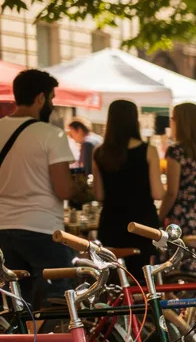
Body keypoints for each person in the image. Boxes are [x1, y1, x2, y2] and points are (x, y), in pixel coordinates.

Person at [0, 69, 78, 308]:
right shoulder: (51, 135)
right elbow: (64, 190)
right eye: (52, 98)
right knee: (58, 305)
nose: (52, 105)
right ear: (41, 98)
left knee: (15, 307)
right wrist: (78, 187)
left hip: (3, 228)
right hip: (42, 229)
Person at [93, 99, 162, 281]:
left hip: (111, 224)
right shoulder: (148, 151)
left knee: (113, 282)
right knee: (143, 282)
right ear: (134, 120)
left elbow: (99, 194)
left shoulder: (99, 153)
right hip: (142, 225)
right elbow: (157, 193)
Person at [160, 102, 196, 236]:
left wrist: (159, 217)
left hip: (181, 221)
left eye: (173, 119)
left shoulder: (176, 152)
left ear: (181, 123)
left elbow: (171, 193)